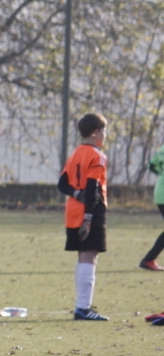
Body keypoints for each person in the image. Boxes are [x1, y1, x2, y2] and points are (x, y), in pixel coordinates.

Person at [58, 113, 109, 320]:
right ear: (96, 132)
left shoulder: (75, 154)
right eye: (104, 131)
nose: (105, 135)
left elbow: (62, 184)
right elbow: (92, 186)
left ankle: (82, 306)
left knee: (83, 256)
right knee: (90, 256)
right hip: (90, 211)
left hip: (72, 211)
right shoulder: (97, 156)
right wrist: (88, 216)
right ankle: (83, 308)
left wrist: (76, 194)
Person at [139, 139, 164, 271]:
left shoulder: (162, 148)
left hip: (160, 191)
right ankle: (148, 260)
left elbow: (151, 166)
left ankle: (148, 260)